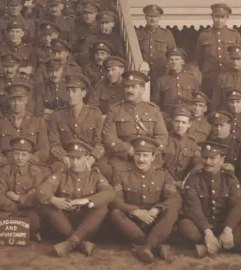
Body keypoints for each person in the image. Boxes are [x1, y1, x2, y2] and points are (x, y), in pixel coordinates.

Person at [179, 141, 241, 258]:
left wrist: (228, 229)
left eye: (213, 158)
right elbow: (193, 209)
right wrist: (207, 232)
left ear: (222, 160)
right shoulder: (194, 178)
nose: (208, 162)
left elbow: (239, 206)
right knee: (184, 225)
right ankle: (234, 245)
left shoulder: (229, 178)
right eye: (205, 158)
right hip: (202, 227)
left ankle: (206, 248)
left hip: (225, 225)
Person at [109, 136, 181, 264]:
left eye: (145, 155)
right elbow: (116, 200)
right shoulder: (122, 175)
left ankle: (146, 247)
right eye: (138, 154)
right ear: (133, 155)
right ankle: (154, 245)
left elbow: (174, 198)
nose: (141, 159)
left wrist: (157, 209)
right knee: (115, 213)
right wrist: (135, 211)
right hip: (133, 224)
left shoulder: (163, 175)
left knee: (172, 211)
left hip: (155, 222)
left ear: (153, 157)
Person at [37, 140, 114, 257]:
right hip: (65, 223)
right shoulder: (61, 174)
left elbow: (109, 193)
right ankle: (80, 242)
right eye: (72, 158)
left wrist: (87, 200)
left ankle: (69, 243)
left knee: (102, 206)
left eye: (78, 158)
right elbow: (41, 191)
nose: (75, 162)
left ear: (87, 157)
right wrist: (54, 200)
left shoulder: (94, 175)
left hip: (87, 224)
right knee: (47, 204)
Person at [102, 71, 169, 173]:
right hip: (123, 160)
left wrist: (148, 153)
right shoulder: (115, 110)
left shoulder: (153, 110)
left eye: (134, 87)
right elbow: (108, 137)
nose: (129, 90)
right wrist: (128, 150)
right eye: (127, 87)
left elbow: (162, 136)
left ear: (142, 89)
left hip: (149, 160)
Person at [47, 74, 109, 177]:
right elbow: (54, 144)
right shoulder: (57, 115)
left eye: (74, 91)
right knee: (56, 169)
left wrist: (91, 159)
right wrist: (65, 158)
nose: (70, 95)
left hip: (88, 156)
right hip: (67, 157)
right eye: (68, 91)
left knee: (105, 170)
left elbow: (99, 143)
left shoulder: (95, 114)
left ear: (83, 93)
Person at [0, 80, 49, 172]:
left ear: (26, 100)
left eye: (20, 100)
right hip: (5, 167)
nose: (16, 103)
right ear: (8, 101)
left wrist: (27, 162)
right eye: (13, 100)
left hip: (31, 167)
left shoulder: (38, 122)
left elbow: (44, 150)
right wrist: (7, 162)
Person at [0, 137, 46, 241]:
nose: (20, 158)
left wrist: (18, 198)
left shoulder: (35, 173)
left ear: (29, 156)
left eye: (24, 154)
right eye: (17, 154)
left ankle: (27, 231)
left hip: (29, 211)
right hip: (8, 210)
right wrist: (15, 208)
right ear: (13, 154)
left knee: (36, 222)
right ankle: (23, 231)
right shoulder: (4, 171)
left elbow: (36, 197)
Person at [193, 3, 241, 97]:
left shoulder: (234, 35)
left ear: (227, 18)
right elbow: (199, 58)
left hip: (229, 77)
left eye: (222, 17)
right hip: (210, 78)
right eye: (216, 17)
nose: (219, 20)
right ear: (212, 17)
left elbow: (240, 57)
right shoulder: (204, 35)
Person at [151, 48, 200, 118]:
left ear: (182, 61)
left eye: (177, 59)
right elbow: (155, 103)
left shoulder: (192, 79)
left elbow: (197, 100)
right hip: (168, 116)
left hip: (188, 115)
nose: (174, 62)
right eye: (171, 59)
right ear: (168, 62)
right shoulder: (161, 80)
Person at [136, 5, 176, 88]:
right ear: (145, 17)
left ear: (159, 18)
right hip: (142, 72)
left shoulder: (166, 34)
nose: (152, 19)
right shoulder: (137, 33)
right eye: (150, 16)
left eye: (155, 16)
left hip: (161, 73)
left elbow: (172, 54)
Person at [163, 105, 201, 184]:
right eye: (177, 121)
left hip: (184, 183)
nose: (180, 125)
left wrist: (187, 181)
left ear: (189, 124)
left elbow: (197, 165)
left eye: (183, 122)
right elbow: (158, 164)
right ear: (172, 122)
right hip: (165, 182)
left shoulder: (192, 143)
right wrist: (171, 182)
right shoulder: (164, 139)